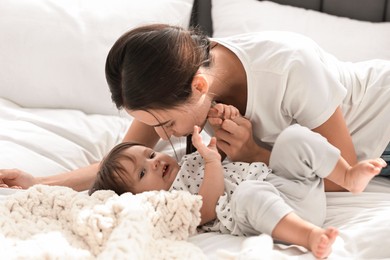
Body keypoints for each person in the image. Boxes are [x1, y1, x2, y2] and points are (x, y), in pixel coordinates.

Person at [0, 23, 389, 191]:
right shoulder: (177, 79)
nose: (164, 137)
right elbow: (121, 161)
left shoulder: (290, 66)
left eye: (166, 124)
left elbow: (344, 181)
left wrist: (256, 154)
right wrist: (39, 183)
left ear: (199, 87)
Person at [89, 122, 385, 259]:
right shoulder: (168, 202)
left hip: (287, 186)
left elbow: (242, 164)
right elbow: (206, 207)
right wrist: (212, 161)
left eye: (151, 155)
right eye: (142, 173)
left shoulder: (191, 159)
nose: (154, 163)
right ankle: (309, 236)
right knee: (248, 194)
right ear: (137, 196)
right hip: (278, 213)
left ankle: (347, 175)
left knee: (291, 138)